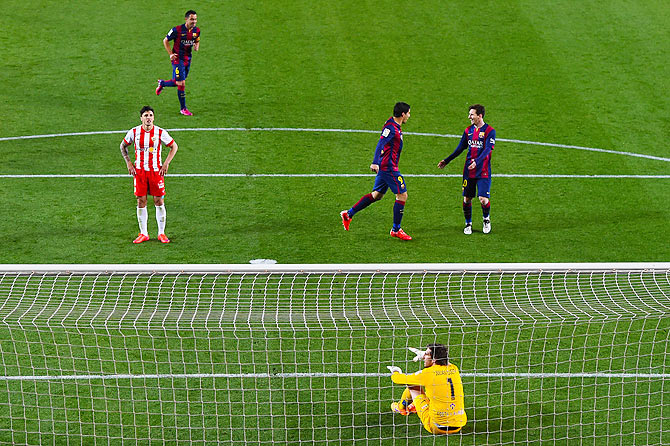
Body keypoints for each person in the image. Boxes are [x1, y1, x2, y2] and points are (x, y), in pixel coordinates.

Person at [340, 102, 412, 240]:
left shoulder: (392, 124)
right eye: (408, 113)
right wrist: (375, 162)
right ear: (402, 114)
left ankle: (348, 214)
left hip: (386, 166)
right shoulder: (392, 128)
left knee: (376, 195)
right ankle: (396, 229)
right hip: (389, 168)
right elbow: (381, 143)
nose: (409, 115)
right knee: (402, 195)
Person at [120, 106, 179, 244]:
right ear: (141, 118)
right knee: (141, 201)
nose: (148, 118)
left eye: (150, 115)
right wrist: (128, 162)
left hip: (156, 171)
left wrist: (166, 164)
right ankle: (144, 233)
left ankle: (161, 233)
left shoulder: (160, 132)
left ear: (153, 117)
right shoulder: (134, 132)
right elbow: (123, 146)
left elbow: (174, 146)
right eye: (145, 115)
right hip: (139, 172)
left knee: (159, 201)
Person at [438, 104, 496, 235]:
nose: (469, 117)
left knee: (483, 199)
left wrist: (477, 162)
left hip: (483, 170)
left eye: (472, 114)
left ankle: (486, 219)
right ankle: (468, 223)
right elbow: (460, 148)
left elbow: (488, 150)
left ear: (479, 116)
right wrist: (447, 160)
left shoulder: (490, 131)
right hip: (469, 171)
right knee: (467, 198)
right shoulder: (468, 131)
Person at [388, 343, 467, 435]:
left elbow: (397, 379)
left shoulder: (428, 373)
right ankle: (414, 406)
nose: (424, 357)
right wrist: (425, 355)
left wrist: (396, 371)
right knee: (438, 392)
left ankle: (401, 408)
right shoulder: (454, 368)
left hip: (435, 427)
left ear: (434, 360)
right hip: (459, 425)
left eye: (426, 354)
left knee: (413, 385)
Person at [155, 10, 201, 116]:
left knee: (178, 82)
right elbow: (165, 40)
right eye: (192, 19)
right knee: (182, 83)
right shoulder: (177, 30)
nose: (194, 21)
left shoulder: (197, 30)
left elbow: (197, 39)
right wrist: (170, 54)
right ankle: (183, 108)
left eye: (195, 19)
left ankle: (162, 83)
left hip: (188, 59)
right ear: (186, 19)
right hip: (177, 59)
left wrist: (196, 46)